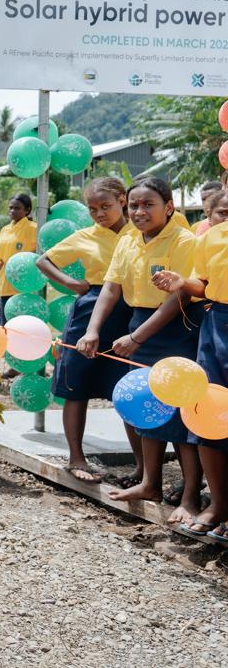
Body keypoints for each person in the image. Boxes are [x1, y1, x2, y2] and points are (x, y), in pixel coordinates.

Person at [76, 177, 204, 525]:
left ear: (169, 207)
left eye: (148, 204)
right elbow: (111, 288)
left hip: (176, 328)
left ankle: (191, 496)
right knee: (146, 406)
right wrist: (92, 330)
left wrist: (138, 338)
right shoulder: (129, 239)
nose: (139, 211)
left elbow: (180, 295)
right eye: (134, 205)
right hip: (141, 323)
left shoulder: (183, 239)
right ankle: (150, 484)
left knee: (179, 414)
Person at [35, 178, 140, 484]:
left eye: (105, 206)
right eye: (92, 209)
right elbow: (44, 260)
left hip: (131, 312)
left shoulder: (141, 232)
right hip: (90, 311)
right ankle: (76, 457)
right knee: (76, 386)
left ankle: (142, 467)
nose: (99, 214)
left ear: (122, 200)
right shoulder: (85, 236)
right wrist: (70, 283)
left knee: (128, 387)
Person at [151, 197, 228, 542]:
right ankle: (219, 504)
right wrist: (182, 282)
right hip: (219, 325)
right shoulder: (210, 238)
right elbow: (205, 285)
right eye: (223, 211)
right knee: (207, 410)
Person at [0, 193, 37, 325]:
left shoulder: (34, 228)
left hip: (23, 287)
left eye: (17, 208)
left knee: (21, 328)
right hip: (4, 284)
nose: (12, 211)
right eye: (10, 207)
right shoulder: (5, 230)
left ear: (27, 210)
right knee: (4, 328)